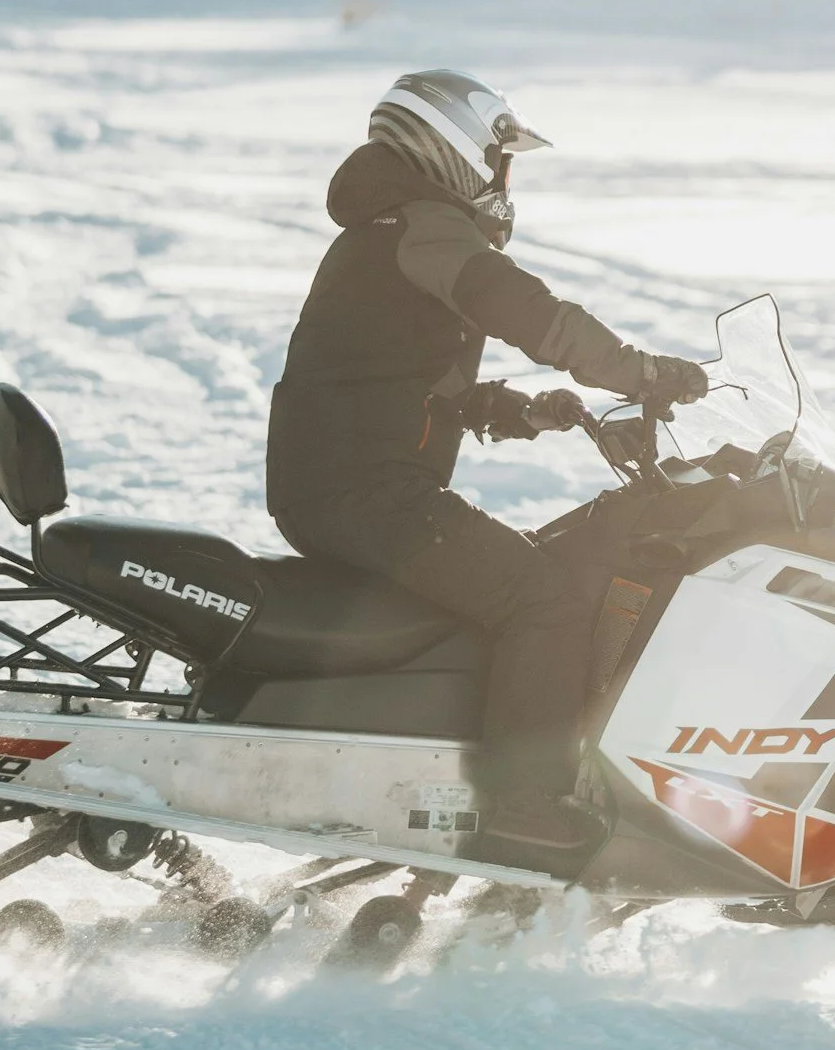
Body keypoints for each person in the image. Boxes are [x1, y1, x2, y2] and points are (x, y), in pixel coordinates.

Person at [265, 70, 709, 867]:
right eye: (502, 162)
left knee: (519, 578)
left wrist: (517, 411)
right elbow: (528, 312)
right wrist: (638, 372)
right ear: (456, 151)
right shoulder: (426, 227)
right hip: (369, 493)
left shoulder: (387, 227)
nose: (507, 183)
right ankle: (526, 805)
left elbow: (394, 376)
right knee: (544, 597)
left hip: (343, 482)